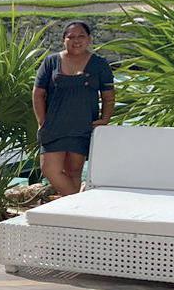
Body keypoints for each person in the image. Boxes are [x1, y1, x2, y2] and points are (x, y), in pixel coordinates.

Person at [32, 21, 115, 196]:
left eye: (81, 36)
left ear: (89, 39)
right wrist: (42, 121)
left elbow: (108, 97)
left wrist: (105, 119)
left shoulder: (99, 64)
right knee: (49, 169)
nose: (76, 40)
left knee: (73, 172)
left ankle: (72, 208)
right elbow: (38, 94)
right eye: (71, 37)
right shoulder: (51, 62)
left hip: (82, 128)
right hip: (54, 127)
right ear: (63, 40)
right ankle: (81, 203)